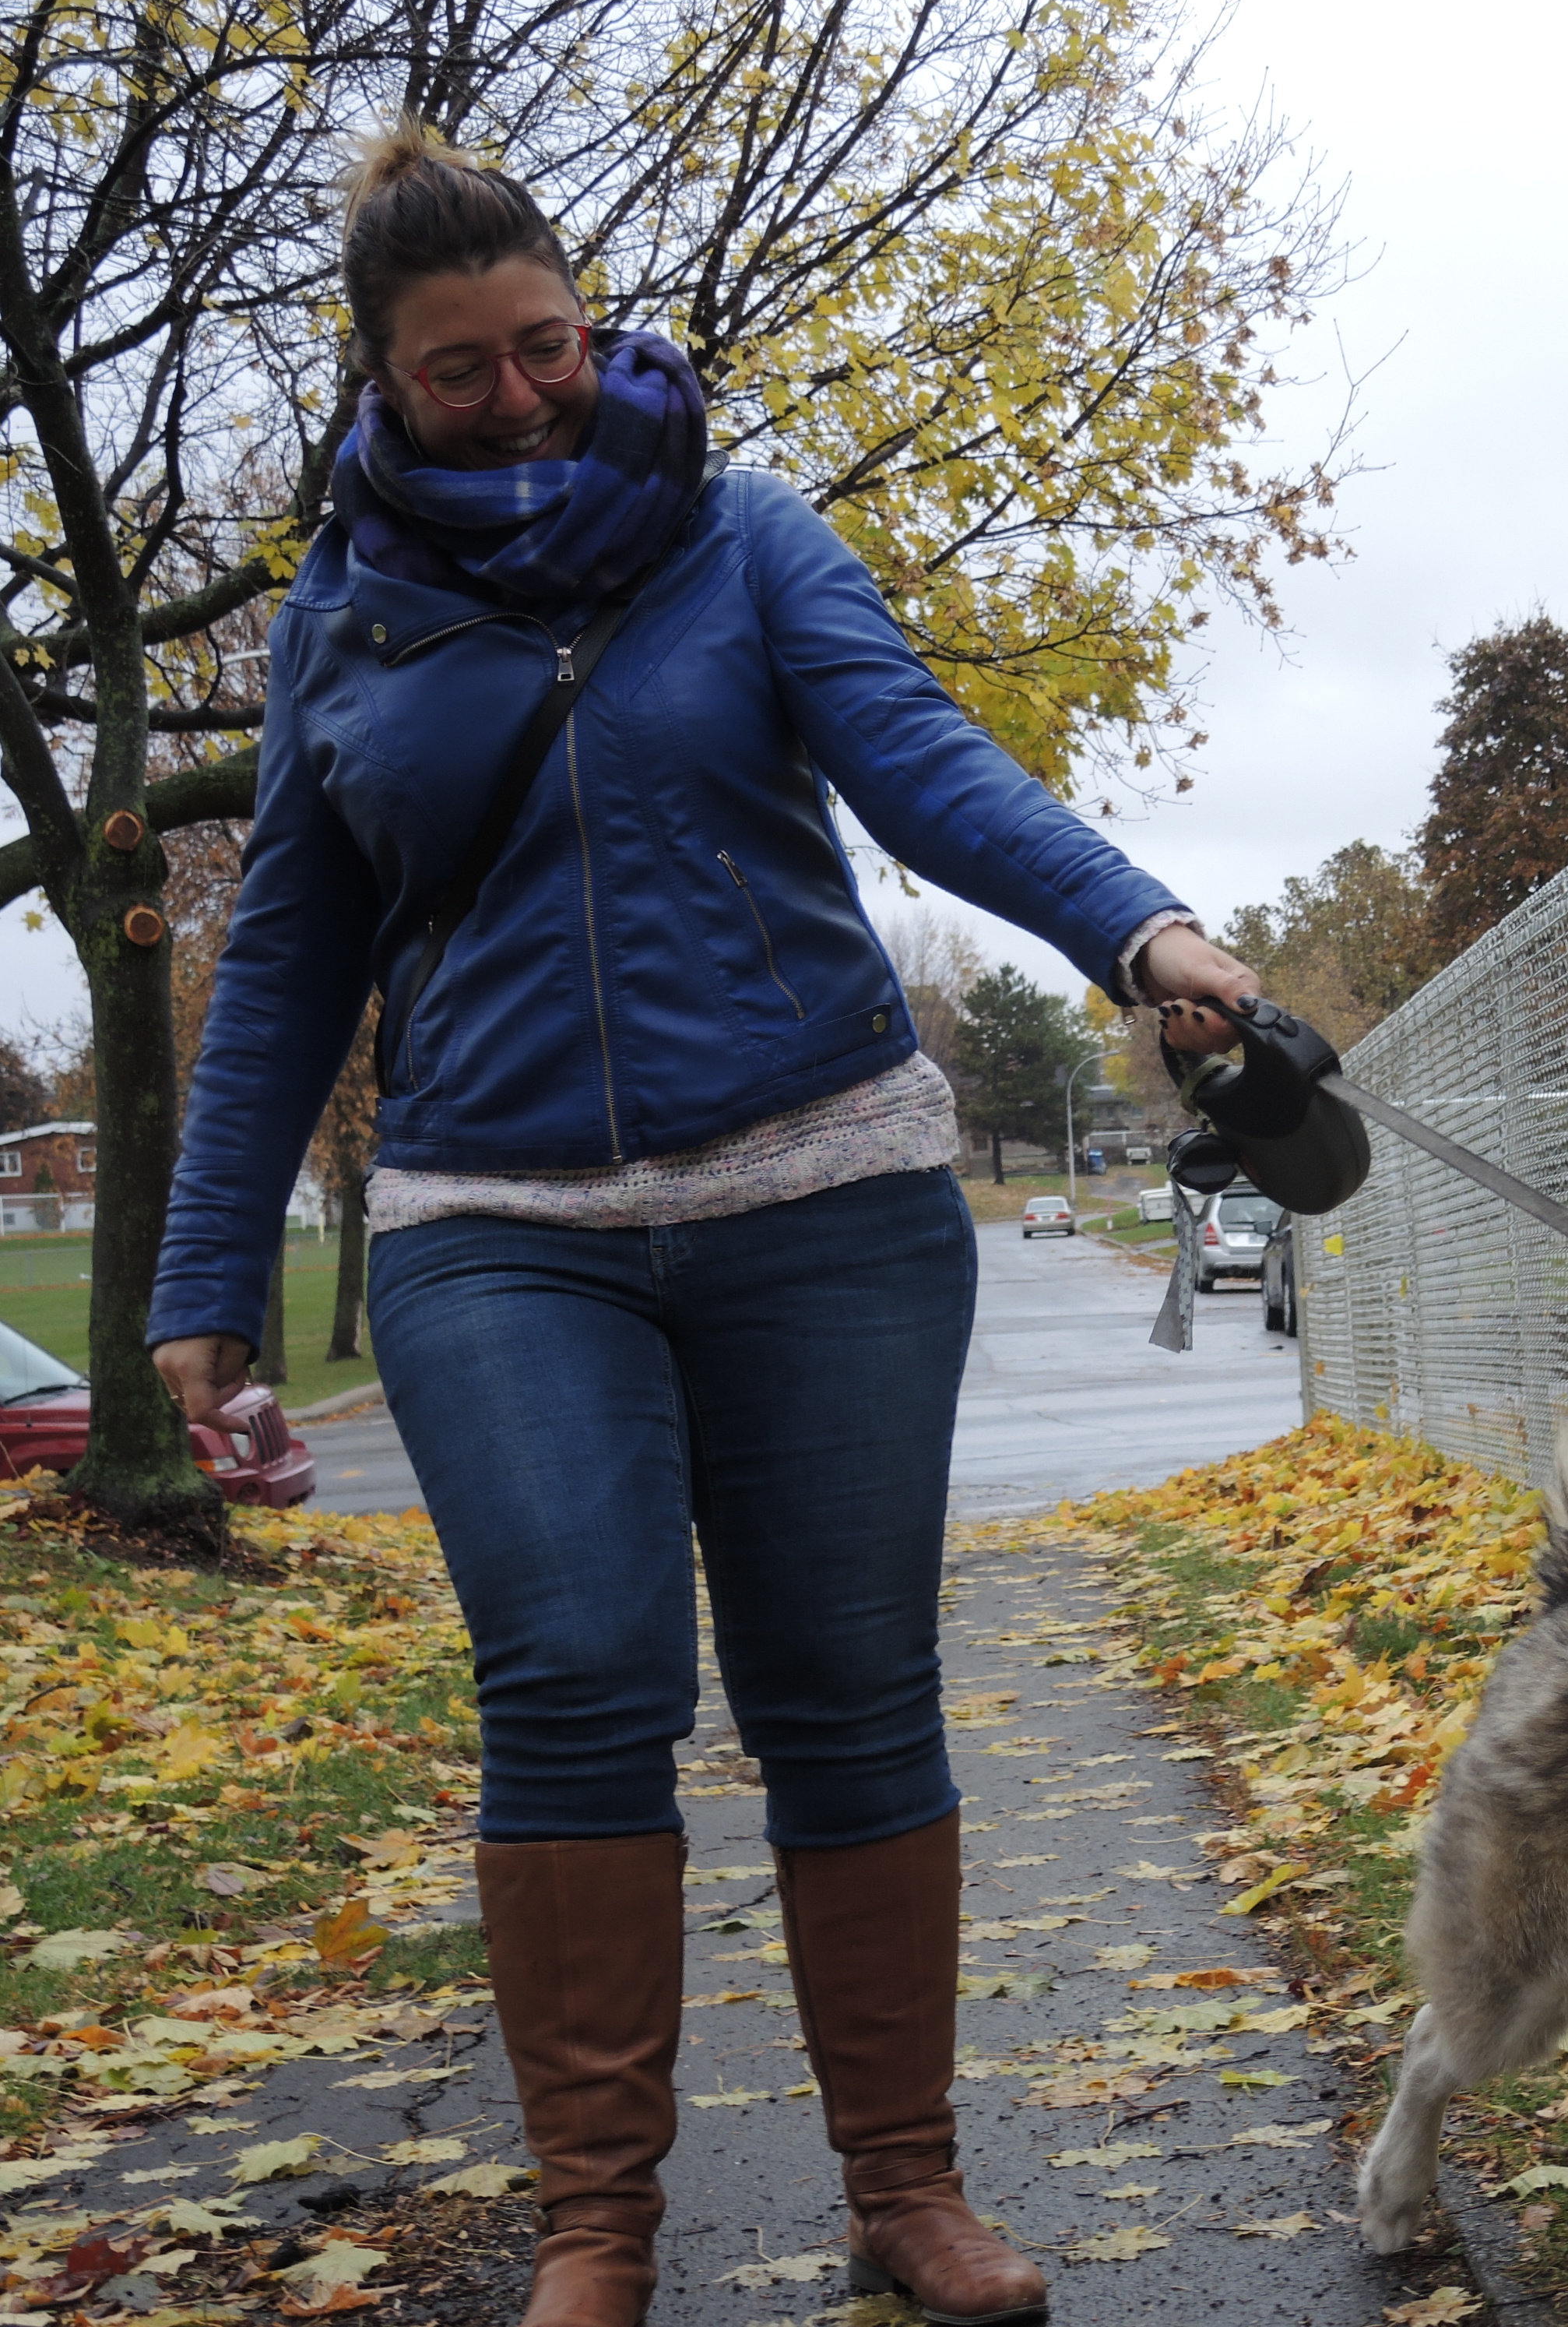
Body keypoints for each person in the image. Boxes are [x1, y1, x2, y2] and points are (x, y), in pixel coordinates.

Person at [147, 118, 1262, 2327]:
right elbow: (287, 952)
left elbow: (926, 763)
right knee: (574, 1675)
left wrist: (1140, 932)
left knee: (848, 1692)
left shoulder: (744, 539)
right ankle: (597, 2227)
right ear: (383, 383)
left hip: (824, 1189)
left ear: (591, 318)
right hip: (495, 1211)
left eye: (544, 345)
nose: (522, 397)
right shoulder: (345, 626)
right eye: (458, 373)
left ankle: (907, 2189)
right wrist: (202, 1277)